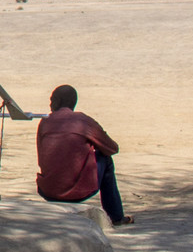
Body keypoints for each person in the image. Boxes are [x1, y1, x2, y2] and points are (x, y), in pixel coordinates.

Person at [37, 85, 133, 226]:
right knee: (106, 159)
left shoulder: (44, 122)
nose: (50, 104)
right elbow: (112, 148)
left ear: (58, 101)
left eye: (52, 100)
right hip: (76, 193)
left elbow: (41, 157)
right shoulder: (83, 121)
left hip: (47, 191)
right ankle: (116, 216)